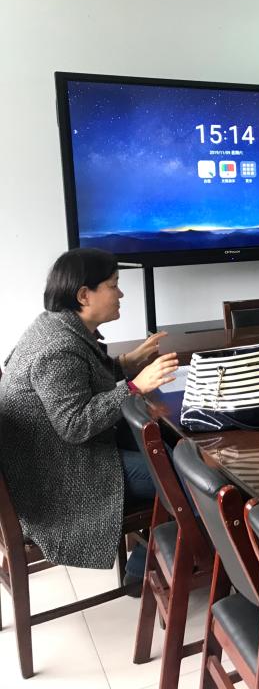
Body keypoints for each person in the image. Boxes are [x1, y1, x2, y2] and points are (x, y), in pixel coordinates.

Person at [0, 248, 179, 585]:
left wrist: (126, 363)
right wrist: (135, 386)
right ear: (84, 295)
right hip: (61, 480)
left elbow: (80, 380)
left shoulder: (55, 325)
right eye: (113, 285)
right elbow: (74, 424)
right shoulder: (57, 348)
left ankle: (159, 555)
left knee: (165, 444)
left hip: (56, 458)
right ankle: (163, 563)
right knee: (181, 476)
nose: (121, 293)